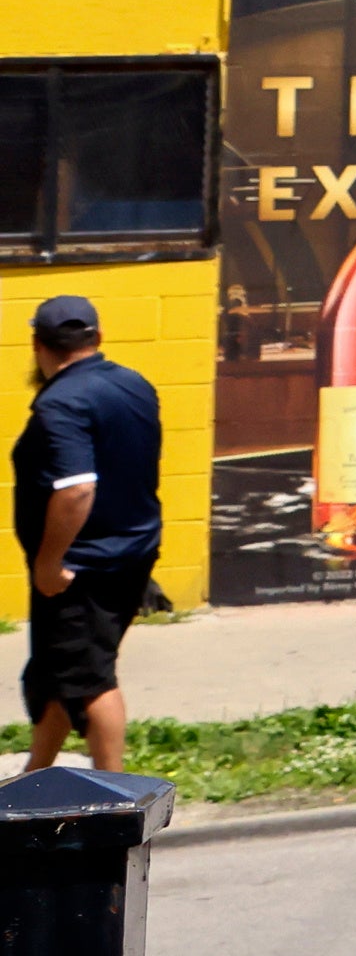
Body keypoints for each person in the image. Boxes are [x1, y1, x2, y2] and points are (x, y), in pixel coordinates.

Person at [24, 295, 167, 778]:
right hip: (129, 551)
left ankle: (114, 794)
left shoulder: (61, 402)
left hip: (81, 568)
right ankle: (34, 776)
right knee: (56, 671)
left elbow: (77, 489)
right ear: (98, 338)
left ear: (38, 345)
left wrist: (50, 562)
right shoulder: (133, 384)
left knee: (89, 679)